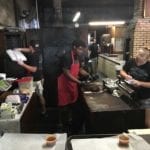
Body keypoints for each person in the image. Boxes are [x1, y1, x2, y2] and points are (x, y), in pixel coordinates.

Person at [57, 39, 90, 134]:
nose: (81, 51)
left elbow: (79, 70)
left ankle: (69, 121)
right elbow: (66, 73)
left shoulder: (78, 57)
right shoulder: (67, 56)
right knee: (63, 106)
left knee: (72, 103)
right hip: (64, 84)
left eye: (82, 49)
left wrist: (87, 74)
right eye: (80, 49)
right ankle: (61, 124)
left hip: (72, 84)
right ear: (74, 47)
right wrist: (79, 82)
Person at [14, 40, 47, 115]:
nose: (29, 49)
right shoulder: (37, 51)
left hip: (36, 79)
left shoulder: (33, 56)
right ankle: (42, 110)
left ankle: (40, 111)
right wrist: (20, 49)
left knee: (36, 95)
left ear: (31, 47)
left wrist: (22, 64)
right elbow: (29, 50)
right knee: (39, 95)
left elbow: (34, 69)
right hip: (40, 76)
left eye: (29, 47)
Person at [120, 47, 150, 127]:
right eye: (138, 53)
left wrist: (140, 83)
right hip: (130, 94)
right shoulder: (131, 61)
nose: (138, 56)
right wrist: (126, 76)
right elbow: (122, 71)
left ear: (147, 58)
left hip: (145, 98)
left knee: (147, 121)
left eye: (141, 55)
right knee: (131, 118)